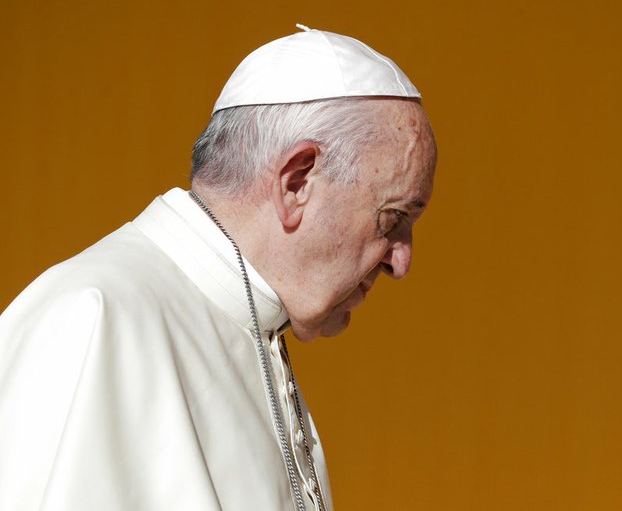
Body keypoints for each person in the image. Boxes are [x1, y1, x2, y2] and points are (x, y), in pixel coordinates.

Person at [0, 25, 437, 511]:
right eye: (393, 218)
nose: (401, 262)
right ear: (296, 183)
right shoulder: (96, 317)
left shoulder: (254, 329)